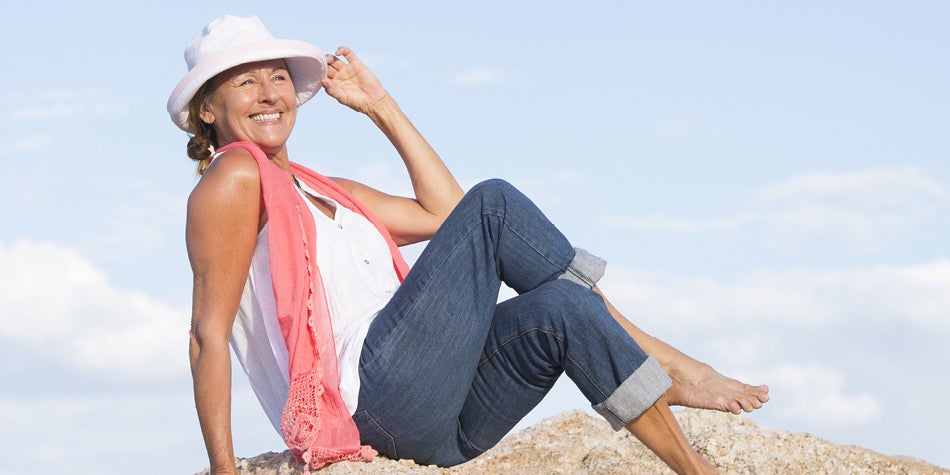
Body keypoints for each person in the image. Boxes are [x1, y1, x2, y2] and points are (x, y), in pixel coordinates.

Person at [169, 14, 769, 475]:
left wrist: (380, 106)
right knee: (496, 201)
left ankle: (696, 469)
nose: (270, 91)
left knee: (565, 309)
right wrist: (224, 468)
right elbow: (207, 333)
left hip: (434, 421)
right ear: (208, 109)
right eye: (245, 81)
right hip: (370, 398)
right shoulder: (235, 178)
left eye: (277, 75)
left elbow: (446, 214)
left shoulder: (329, 191)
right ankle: (667, 363)